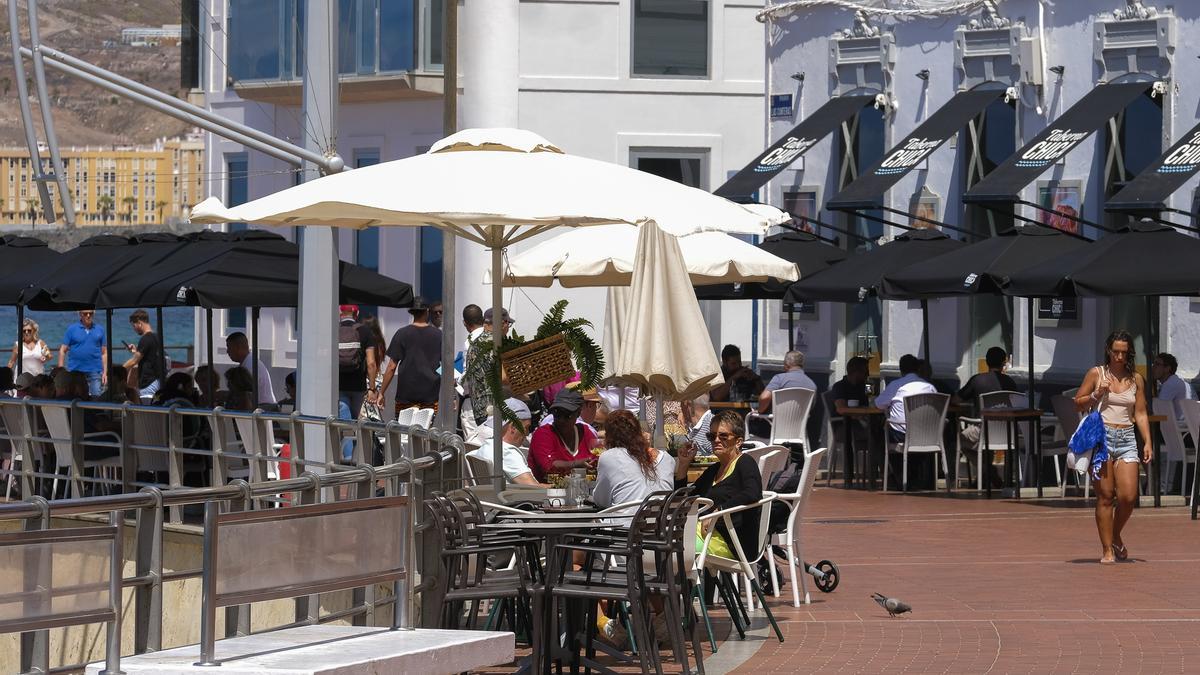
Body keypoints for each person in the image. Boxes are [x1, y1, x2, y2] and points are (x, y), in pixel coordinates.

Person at [1073, 330, 1152, 565]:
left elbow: (1140, 412)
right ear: (1108, 350)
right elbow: (1078, 403)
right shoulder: (1096, 373)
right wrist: (1097, 394)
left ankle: (1115, 534)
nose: (1119, 356)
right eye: (1115, 351)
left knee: (1128, 497)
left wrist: (1147, 441)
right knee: (1106, 496)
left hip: (1127, 437)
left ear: (1129, 353)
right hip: (1102, 438)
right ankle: (1107, 548)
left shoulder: (1136, 379)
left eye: (1123, 352)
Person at [674, 410, 763, 560]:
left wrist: (719, 512)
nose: (716, 440)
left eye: (723, 436)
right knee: (664, 540)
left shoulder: (745, 462)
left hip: (731, 543)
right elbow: (684, 500)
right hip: (705, 536)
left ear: (738, 441)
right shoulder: (713, 470)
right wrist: (683, 465)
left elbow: (752, 493)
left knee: (673, 546)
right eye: (712, 436)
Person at [592, 409, 675, 509]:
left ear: (609, 437)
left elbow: (601, 501)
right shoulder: (667, 458)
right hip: (661, 518)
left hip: (625, 518)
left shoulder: (609, 457)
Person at [377, 298, 442, 417]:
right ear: (427, 311)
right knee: (425, 427)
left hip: (406, 393)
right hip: (430, 394)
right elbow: (445, 366)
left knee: (404, 427)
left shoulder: (402, 334)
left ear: (412, 313)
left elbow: (391, 367)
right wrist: (453, 395)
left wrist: (382, 392)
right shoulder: (439, 335)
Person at [461, 306, 514, 443]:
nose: (508, 329)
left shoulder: (478, 342)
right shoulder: (492, 343)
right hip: (491, 413)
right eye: (509, 325)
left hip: (479, 409)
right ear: (503, 323)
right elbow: (502, 377)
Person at [466, 397, 545, 487]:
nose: (527, 433)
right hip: (519, 496)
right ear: (514, 427)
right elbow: (533, 487)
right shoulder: (507, 452)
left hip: (493, 495)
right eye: (526, 428)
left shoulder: (488, 445)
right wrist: (557, 486)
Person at [528, 389, 599, 482]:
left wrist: (588, 477)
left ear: (578, 413)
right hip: (547, 489)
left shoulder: (586, 432)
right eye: (557, 413)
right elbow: (548, 468)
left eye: (567, 415)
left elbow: (597, 463)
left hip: (582, 488)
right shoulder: (543, 434)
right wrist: (576, 465)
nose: (561, 419)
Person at [336, 305, 378, 461]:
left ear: (340, 312)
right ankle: (358, 459)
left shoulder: (333, 330)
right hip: (359, 386)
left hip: (339, 386)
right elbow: (371, 363)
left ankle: (348, 460)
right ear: (357, 313)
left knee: (345, 424)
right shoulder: (365, 331)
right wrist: (372, 388)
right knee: (359, 424)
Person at [875, 354, 937, 443]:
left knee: (878, 429)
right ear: (918, 369)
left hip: (901, 435)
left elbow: (879, 404)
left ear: (901, 370)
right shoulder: (930, 387)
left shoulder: (896, 385)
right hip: (927, 434)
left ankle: (878, 452)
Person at [58, 309, 107, 397]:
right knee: (75, 397)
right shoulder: (72, 329)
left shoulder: (100, 330)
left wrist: (105, 373)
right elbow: (62, 350)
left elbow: (104, 353)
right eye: (85, 313)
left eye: (90, 313)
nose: (88, 315)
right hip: (75, 371)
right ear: (80, 314)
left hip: (95, 371)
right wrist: (61, 371)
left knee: (96, 398)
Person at [122, 309, 164, 403]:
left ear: (139, 323)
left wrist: (120, 370)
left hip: (148, 383)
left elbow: (134, 361)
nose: (134, 329)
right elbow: (149, 356)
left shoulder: (145, 339)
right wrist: (135, 351)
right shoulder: (157, 337)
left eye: (134, 326)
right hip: (157, 381)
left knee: (146, 410)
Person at [225, 332, 276, 404]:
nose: (227, 351)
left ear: (238, 347)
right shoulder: (249, 362)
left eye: (229, 347)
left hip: (262, 407)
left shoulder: (250, 366)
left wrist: (224, 395)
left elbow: (242, 393)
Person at [1151, 352, 1192, 421]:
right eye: (1153, 364)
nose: (1153, 367)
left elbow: (1159, 411)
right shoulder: (1175, 380)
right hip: (1187, 424)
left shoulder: (1170, 384)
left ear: (1167, 369)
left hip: (1182, 425)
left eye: (1157, 364)